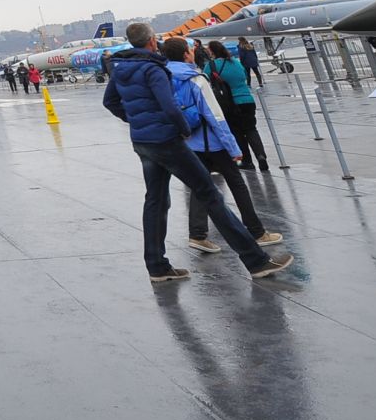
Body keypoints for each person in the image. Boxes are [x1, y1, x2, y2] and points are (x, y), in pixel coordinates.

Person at [101, 22, 292, 283]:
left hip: (143, 142)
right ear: (152, 42)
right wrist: (182, 130)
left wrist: (135, 121)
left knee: (155, 201)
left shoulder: (121, 68)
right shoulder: (153, 69)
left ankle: (157, 266)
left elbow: (109, 101)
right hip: (167, 141)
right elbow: (169, 107)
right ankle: (256, 261)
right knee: (210, 194)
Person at [163, 38, 282, 253]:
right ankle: (256, 231)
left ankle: (198, 234)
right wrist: (233, 147)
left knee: (200, 187)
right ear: (186, 55)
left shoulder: (163, 78)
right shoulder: (196, 79)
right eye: (190, 49)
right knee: (237, 184)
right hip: (212, 143)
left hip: (188, 142)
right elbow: (215, 115)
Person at [203, 41, 267, 172]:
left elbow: (205, 82)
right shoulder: (235, 62)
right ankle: (261, 156)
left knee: (237, 132)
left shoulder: (211, 65)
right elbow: (244, 75)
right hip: (247, 99)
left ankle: (247, 161)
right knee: (251, 129)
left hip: (229, 103)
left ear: (212, 51)